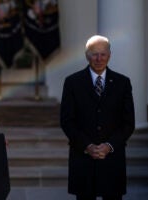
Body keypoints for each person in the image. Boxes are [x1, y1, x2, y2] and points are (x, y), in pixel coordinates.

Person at [60, 35, 135, 200]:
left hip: (112, 160)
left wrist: (109, 146)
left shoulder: (123, 83)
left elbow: (128, 123)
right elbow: (67, 120)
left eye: (103, 54)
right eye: (94, 54)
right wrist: (87, 146)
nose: (99, 58)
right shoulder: (72, 82)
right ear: (87, 55)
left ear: (109, 55)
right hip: (83, 159)